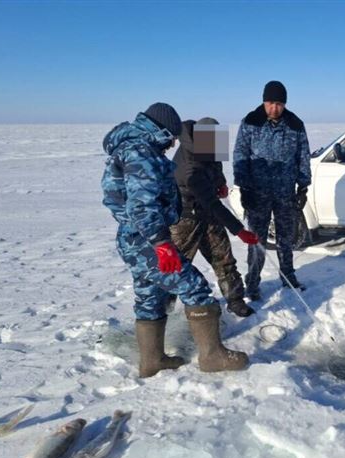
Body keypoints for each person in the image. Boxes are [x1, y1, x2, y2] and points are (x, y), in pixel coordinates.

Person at [101, 103, 248, 377]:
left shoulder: (133, 146)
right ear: (160, 129)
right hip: (148, 240)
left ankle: (152, 361)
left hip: (135, 237)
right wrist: (162, 244)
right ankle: (212, 356)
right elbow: (141, 206)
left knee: (149, 296)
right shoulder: (141, 152)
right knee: (194, 286)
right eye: (170, 137)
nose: (171, 145)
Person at [171, 117, 259, 318]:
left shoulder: (208, 146)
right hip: (186, 218)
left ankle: (235, 300)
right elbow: (212, 203)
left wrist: (220, 182)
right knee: (176, 265)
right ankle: (163, 307)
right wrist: (240, 230)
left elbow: (215, 165)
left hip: (209, 214)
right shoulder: (189, 167)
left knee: (224, 258)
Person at [233, 80, 311, 300]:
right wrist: (243, 187)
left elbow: (303, 156)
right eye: (270, 103)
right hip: (257, 193)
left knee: (285, 238)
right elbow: (240, 155)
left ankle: (288, 276)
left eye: (278, 104)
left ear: (284, 104)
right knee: (256, 239)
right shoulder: (250, 122)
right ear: (263, 101)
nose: (274, 108)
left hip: (285, 191)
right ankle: (253, 283)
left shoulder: (295, 124)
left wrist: (303, 185)